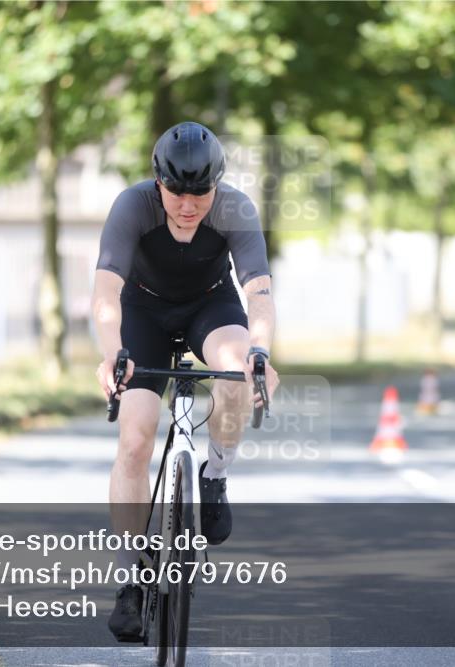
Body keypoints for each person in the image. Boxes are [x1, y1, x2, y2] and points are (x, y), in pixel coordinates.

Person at [91, 121, 280, 641]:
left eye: (201, 191)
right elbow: (106, 294)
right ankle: (130, 578)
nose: (188, 204)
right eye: (177, 191)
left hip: (209, 307)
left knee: (237, 369)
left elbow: (259, 291)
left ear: (217, 184)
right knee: (135, 436)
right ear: (158, 183)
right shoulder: (132, 206)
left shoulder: (236, 209)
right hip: (143, 313)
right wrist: (113, 356)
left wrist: (260, 349)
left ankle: (215, 473)